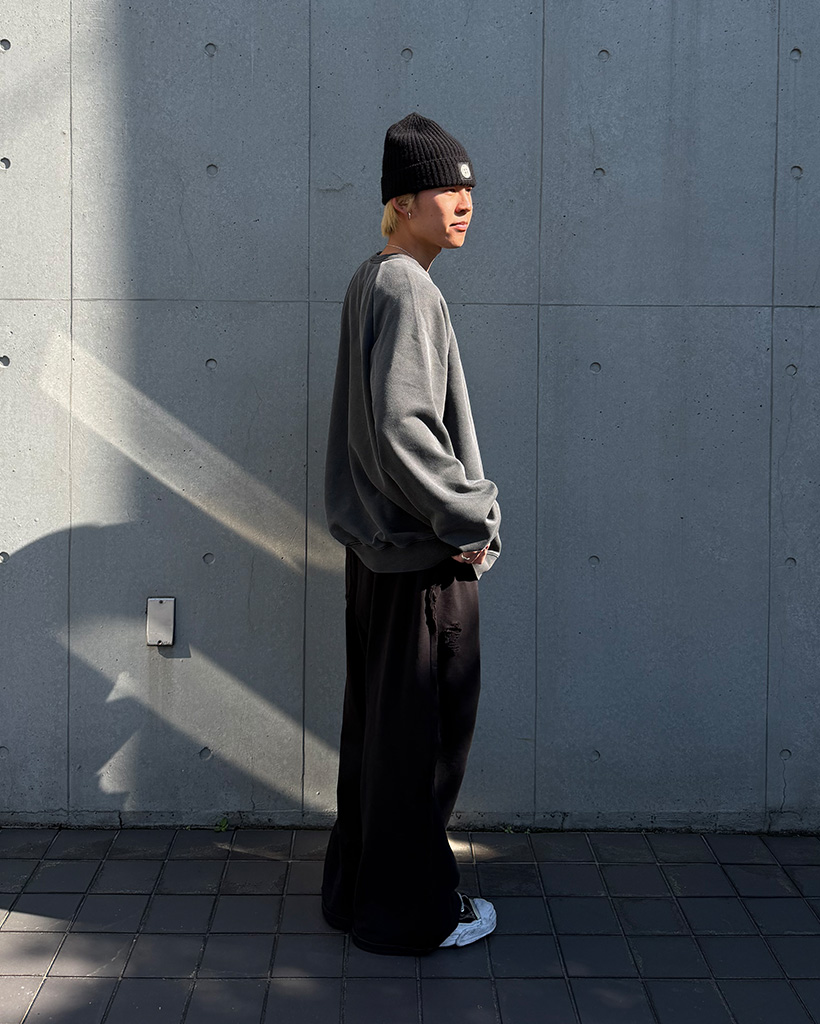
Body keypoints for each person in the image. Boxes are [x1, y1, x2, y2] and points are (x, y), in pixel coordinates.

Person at [321, 112, 501, 956]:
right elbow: (404, 431)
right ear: (400, 201)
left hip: (382, 558)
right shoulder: (407, 288)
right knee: (424, 744)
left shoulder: (374, 278)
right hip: (424, 556)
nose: (464, 204)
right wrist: (471, 517)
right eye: (445, 190)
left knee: (381, 739)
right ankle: (411, 914)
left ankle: (357, 894)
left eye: (469, 190)